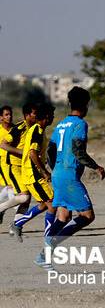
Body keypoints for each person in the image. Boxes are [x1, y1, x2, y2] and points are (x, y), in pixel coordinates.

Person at [33, 87, 105, 269]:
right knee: (87, 216)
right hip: (68, 176)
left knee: (64, 216)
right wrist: (96, 166)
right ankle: (52, 243)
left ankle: (43, 256)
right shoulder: (80, 124)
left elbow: (50, 149)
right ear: (86, 104)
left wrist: (55, 167)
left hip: (58, 174)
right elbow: (78, 151)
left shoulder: (61, 124)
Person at [8, 103, 56, 244]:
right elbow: (33, 153)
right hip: (33, 174)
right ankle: (49, 236)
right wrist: (44, 171)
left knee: (43, 204)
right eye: (52, 116)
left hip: (30, 174)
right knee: (52, 204)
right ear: (46, 117)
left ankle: (17, 224)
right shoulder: (37, 131)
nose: (53, 118)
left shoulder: (36, 129)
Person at [0, 103, 38, 236]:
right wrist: (23, 153)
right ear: (27, 115)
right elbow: (3, 145)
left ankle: (15, 226)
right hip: (12, 166)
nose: (36, 115)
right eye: (34, 113)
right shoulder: (19, 128)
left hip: (25, 167)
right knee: (23, 196)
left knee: (26, 200)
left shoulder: (34, 128)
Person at [0, 105, 15, 224]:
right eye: (6, 115)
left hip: (15, 163)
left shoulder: (15, 129)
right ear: (1, 117)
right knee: (11, 188)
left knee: (8, 187)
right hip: (3, 164)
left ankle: (1, 209)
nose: (9, 117)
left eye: (10, 114)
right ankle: (16, 222)